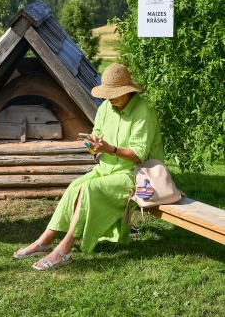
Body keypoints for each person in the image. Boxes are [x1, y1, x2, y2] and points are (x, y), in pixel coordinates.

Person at [13, 63, 164, 270]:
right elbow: (98, 139)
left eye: (116, 93)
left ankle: (64, 250)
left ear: (128, 90)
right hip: (106, 169)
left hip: (137, 176)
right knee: (75, 186)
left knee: (89, 190)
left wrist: (109, 148)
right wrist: (94, 147)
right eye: (108, 94)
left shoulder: (143, 110)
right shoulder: (105, 108)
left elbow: (139, 155)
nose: (111, 98)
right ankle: (45, 241)